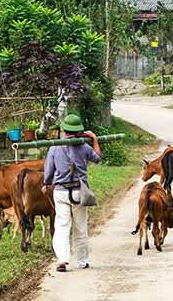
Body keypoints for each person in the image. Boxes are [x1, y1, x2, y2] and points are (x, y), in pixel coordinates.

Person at [43, 114, 101, 272]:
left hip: (61, 191)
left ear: (63, 130)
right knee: (80, 228)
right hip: (79, 192)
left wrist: (46, 184)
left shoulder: (54, 147)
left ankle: (62, 259)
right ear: (78, 131)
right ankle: (82, 261)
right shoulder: (84, 146)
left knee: (62, 226)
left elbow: (48, 172)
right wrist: (94, 139)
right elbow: (98, 158)